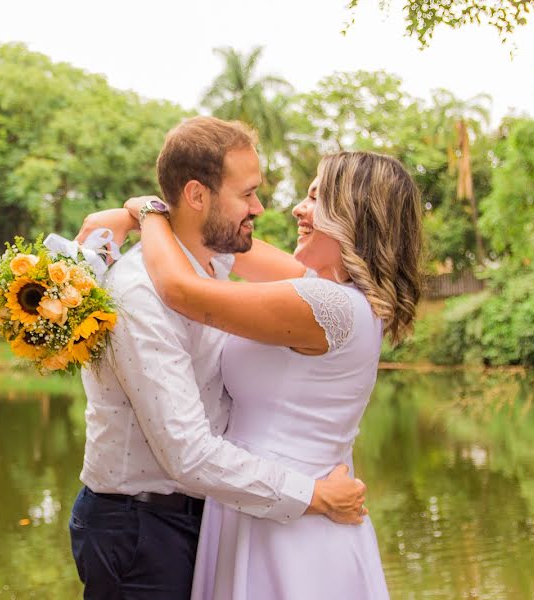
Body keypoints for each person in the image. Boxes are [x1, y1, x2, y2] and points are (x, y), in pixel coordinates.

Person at [68, 116, 369, 600]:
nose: (260, 207)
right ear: (197, 195)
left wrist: (142, 213)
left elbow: (307, 277)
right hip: (141, 529)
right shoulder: (141, 292)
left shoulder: (215, 260)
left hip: (200, 517)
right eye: (247, 194)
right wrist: (313, 496)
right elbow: (187, 452)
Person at [120, 149, 424, 598]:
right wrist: (167, 214)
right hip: (272, 500)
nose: (299, 208)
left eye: (317, 198)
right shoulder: (338, 294)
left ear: (354, 214)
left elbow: (181, 291)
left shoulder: (328, 306)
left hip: (289, 519)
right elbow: (228, 244)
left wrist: (145, 211)